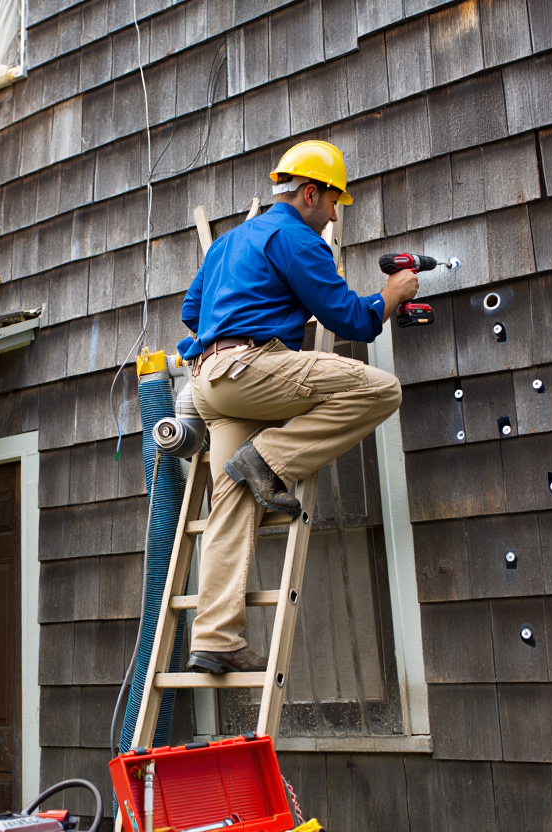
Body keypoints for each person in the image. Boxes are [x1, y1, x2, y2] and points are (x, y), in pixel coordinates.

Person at [177, 140, 418, 673]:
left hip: (208, 385)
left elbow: (190, 311)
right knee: (381, 389)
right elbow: (351, 319)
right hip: (247, 370)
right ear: (310, 193)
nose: (334, 214)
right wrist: (392, 293)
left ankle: (215, 638)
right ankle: (267, 459)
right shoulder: (297, 238)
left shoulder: (227, 243)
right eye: (334, 201)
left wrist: (237, 324)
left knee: (233, 501)